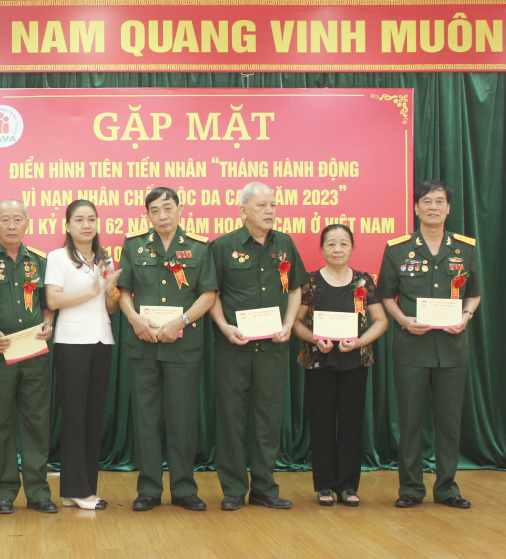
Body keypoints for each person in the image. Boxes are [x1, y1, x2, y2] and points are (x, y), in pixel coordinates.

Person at [377, 179, 481, 509]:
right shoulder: (397, 248)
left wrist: (465, 315)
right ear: (416, 208)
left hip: (452, 350)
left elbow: (475, 294)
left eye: (439, 201)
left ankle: (448, 488)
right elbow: (385, 295)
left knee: (449, 422)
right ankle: (410, 488)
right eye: (426, 201)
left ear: (448, 208)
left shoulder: (466, 248)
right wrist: (404, 321)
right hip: (412, 348)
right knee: (410, 422)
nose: (433, 206)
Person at [208, 182, 307, 511]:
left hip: (273, 347)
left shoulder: (286, 244)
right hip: (233, 347)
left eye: (273, 206)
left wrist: (289, 323)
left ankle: (265, 487)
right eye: (262, 206)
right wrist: (224, 327)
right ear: (244, 210)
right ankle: (234, 489)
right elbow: (212, 295)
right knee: (231, 418)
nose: (270, 211)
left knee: (268, 417)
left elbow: (295, 290)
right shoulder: (223, 246)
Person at [117, 188, 217, 512]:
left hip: (183, 343)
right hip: (143, 344)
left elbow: (208, 294)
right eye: (155, 211)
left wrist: (182, 321)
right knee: (146, 419)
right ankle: (148, 488)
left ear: (180, 209)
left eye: (168, 208)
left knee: (182, 419)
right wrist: (133, 319)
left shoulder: (200, 248)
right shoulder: (133, 245)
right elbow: (123, 291)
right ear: (147, 215)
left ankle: (184, 488)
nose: (162, 216)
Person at [0, 199, 57, 515]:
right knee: (0, 423)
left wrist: (49, 324)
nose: (12, 225)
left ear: (27, 223)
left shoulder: (40, 260)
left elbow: (48, 305)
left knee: (36, 423)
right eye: (6, 220)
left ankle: (38, 492)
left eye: (18, 219)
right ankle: (3, 491)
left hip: (34, 353)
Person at [292, 224, 388, 506]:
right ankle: (323, 485)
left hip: (355, 361)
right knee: (321, 424)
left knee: (351, 424)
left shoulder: (363, 281)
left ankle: (348, 486)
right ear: (322, 248)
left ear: (351, 248)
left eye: (344, 243)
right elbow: (295, 322)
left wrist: (359, 341)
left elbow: (380, 321)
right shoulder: (309, 282)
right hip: (318, 360)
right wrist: (314, 338)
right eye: (331, 243)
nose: (337, 249)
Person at [44, 200, 121, 511]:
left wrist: (111, 289)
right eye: (79, 219)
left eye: (91, 219)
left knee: (93, 416)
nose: (86, 225)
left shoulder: (105, 258)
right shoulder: (58, 257)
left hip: (103, 339)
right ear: (67, 226)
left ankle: (84, 487)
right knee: (75, 417)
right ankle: (76, 488)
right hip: (71, 342)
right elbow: (52, 298)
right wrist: (92, 290)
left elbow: (111, 307)